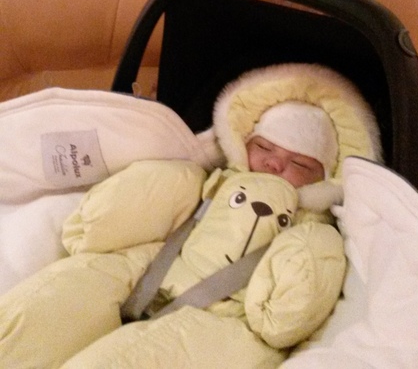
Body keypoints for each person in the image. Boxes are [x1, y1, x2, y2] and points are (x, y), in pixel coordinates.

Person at [0, 63, 382, 369]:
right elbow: (157, 198)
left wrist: (289, 294)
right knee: (48, 308)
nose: (274, 164)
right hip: (156, 264)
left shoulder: (311, 228)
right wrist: (97, 224)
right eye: (264, 147)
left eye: (299, 163)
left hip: (234, 317)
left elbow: (306, 281)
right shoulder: (209, 184)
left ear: (325, 176)